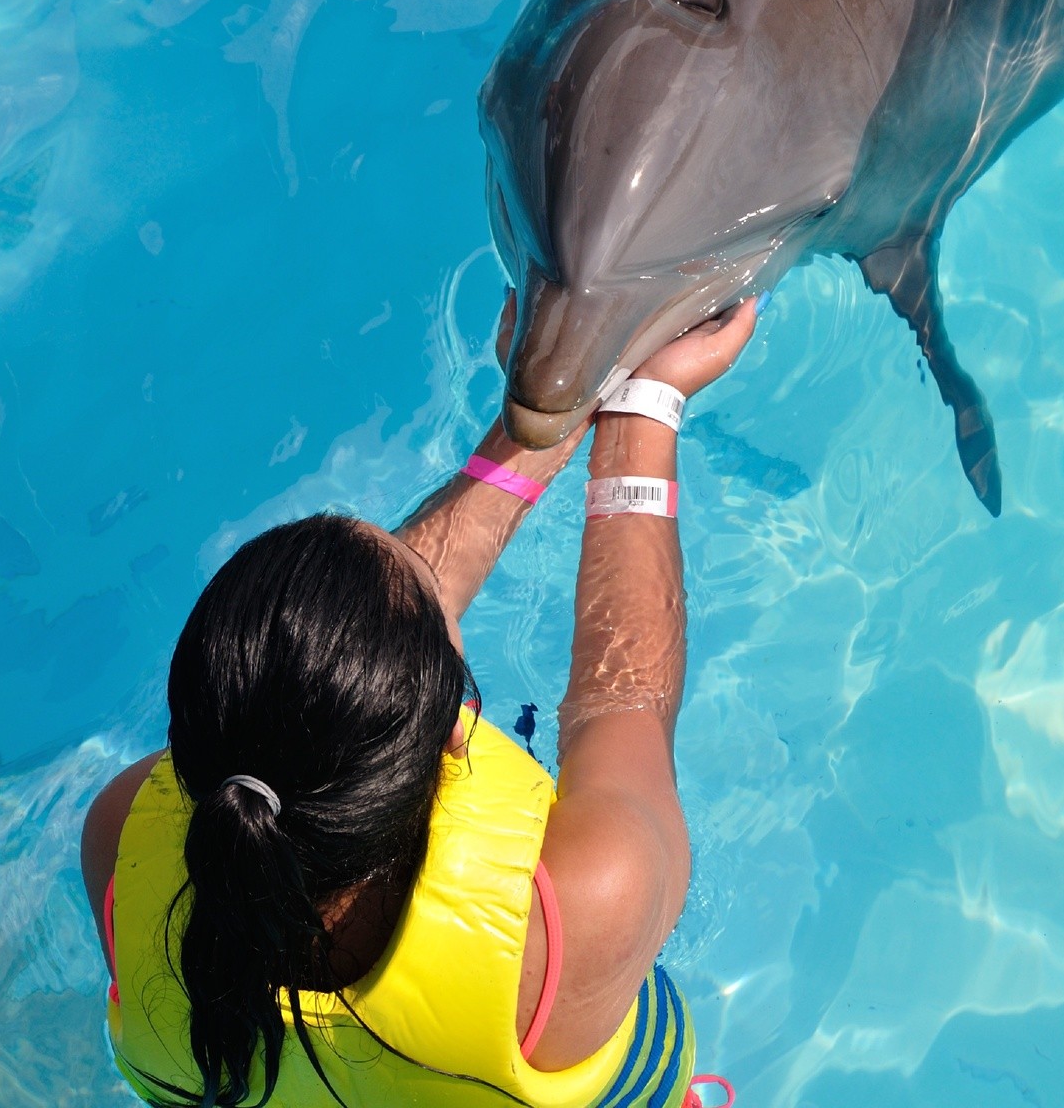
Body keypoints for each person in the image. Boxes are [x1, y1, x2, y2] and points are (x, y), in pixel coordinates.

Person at [79, 294, 758, 1108]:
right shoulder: (573, 914)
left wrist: (543, 415)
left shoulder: (122, 831)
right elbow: (627, 703)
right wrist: (648, 406)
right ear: (451, 740)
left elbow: (341, 664)